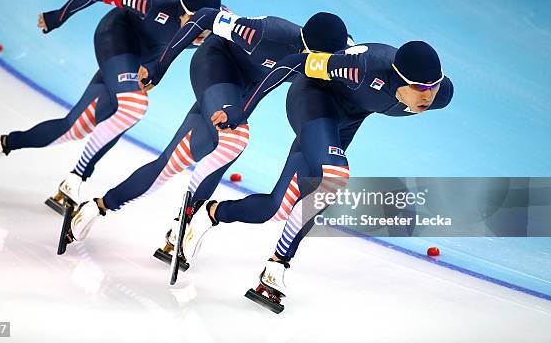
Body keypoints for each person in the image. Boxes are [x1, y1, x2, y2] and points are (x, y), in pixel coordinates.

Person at [180, 41, 454, 311]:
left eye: (434, 85)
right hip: (311, 100)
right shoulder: (361, 68)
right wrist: (242, 108)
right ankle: (277, 265)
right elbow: (293, 63)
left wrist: (431, 86)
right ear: (396, 77)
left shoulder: (440, 96)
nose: (427, 96)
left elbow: (432, 90)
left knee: (277, 207)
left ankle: (212, 213)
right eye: (419, 87)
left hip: (343, 124)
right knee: (334, 176)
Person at [66, 10, 353, 264]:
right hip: (216, 65)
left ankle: (97, 206)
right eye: (323, 63)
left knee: (168, 165)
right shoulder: (266, 34)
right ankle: (185, 219)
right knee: (234, 140)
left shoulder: (337, 53)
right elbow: (204, 16)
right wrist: (160, 65)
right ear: (310, 51)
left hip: (241, 89)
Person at [0, 0, 221, 209]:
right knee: (133, 106)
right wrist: (57, 17)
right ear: (182, 13)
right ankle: (78, 176)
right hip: (116, 37)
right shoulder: (154, 3)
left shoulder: (219, 21)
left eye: (206, 29)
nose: (200, 35)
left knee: (75, 127)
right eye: (195, 26)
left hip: (143, 58)